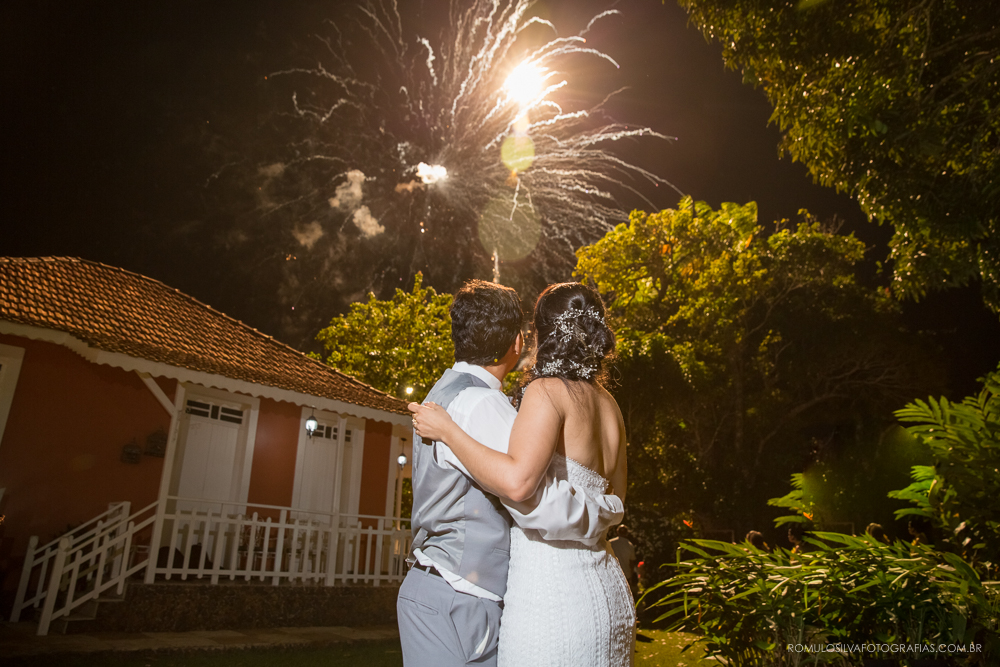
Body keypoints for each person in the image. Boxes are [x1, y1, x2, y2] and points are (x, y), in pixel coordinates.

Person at [398, 280, 624, 667]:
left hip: (543, 591)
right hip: (598, 585)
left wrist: (450, 432)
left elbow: (520, 483)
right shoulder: (610, 406)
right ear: (518, 341)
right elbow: (610, 498)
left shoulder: (461, 393)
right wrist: (606, 516)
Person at [610, 525, 639, 599]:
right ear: (627, 533)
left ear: (617, 532)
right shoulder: (629, 545)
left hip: (612, 573)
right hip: (626, 574)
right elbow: (631, 562)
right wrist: (631, 575)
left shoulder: (611, 543)